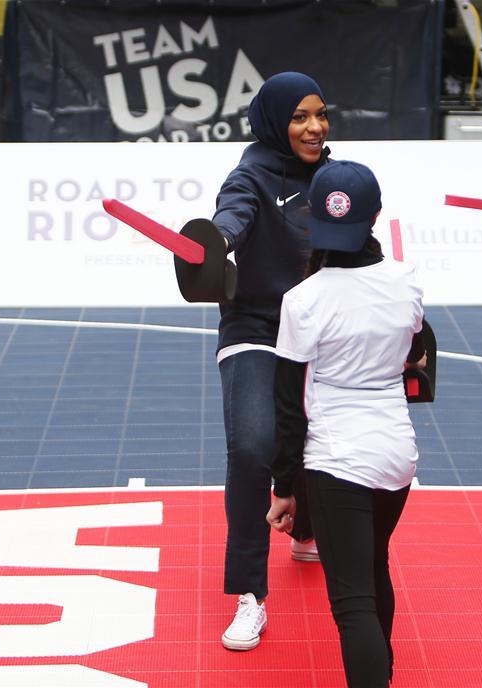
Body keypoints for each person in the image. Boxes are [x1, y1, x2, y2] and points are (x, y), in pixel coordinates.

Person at [266, 160, 425, 687]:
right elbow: (416, 350)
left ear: (314, 218)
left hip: (337, 462)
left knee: (352, 606)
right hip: (397, 459)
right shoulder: (406, 282)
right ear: (375, 216)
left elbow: (289, 406)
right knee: (374, 567)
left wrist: (284, 487)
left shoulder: (303, 300)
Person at [212, 71, 330, 651]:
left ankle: (304, 525)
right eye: (300, 117)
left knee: (320, 433)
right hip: (255, 324)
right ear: (273, 123)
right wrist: (215, 242)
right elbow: (231, 217)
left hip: (316, 327)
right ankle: (250, 596)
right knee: (254, 444)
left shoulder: (335, 179)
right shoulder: (251, 174)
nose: (314, 127)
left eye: (320, 114)